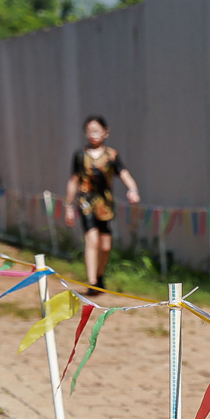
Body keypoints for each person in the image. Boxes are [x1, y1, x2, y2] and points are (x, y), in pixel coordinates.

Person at [63, 117, 140, 290]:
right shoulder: (80, 155)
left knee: (105, 247)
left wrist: (133, 189)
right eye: (89, 131)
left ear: (106, 132)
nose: (93, 135)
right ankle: (92, 282)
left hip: (105, 205)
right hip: (85, 202)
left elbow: (123, 173)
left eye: (97, 131)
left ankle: (99, 276)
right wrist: (68, 206)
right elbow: (73, 180)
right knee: (92, 241)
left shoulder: (112, 155)